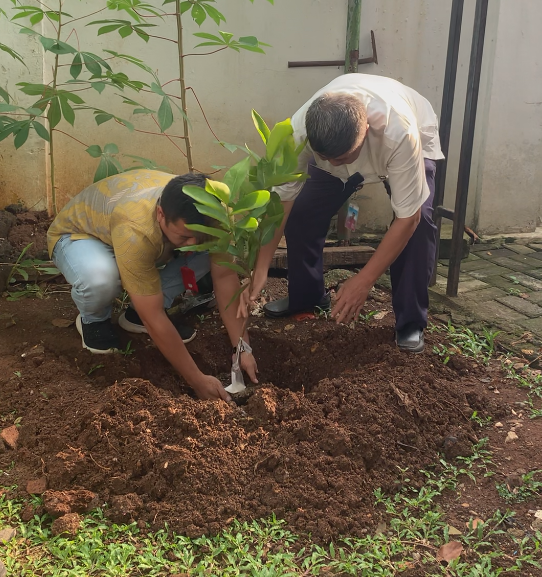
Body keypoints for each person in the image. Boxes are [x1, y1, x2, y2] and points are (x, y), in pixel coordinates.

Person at [239, 74, 444, 353]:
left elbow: (409, 219)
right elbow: (283, 202)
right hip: (345, 142)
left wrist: (363, 281)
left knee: (420, 227)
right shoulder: (298, 132)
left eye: (343, 158)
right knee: (302, 212)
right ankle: (307, 296)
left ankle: (410, 321)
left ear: (366, 131)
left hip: (410, 134)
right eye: (325, 157)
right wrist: (261, 267)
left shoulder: (401, 134)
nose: (335, 164)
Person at [47, 170, 258, 401]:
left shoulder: (216, 211)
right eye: (185, 237)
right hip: (81, 237)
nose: (192, 244)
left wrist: (242, 348)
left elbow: (225, 277)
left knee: (204, 255)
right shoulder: (135, 229)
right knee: (101, 280)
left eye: (200, 236)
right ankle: (93, 320)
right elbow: (153, 316)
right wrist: (197, 380)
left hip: (133, 235)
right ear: (160, 214)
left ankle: (134, 315)